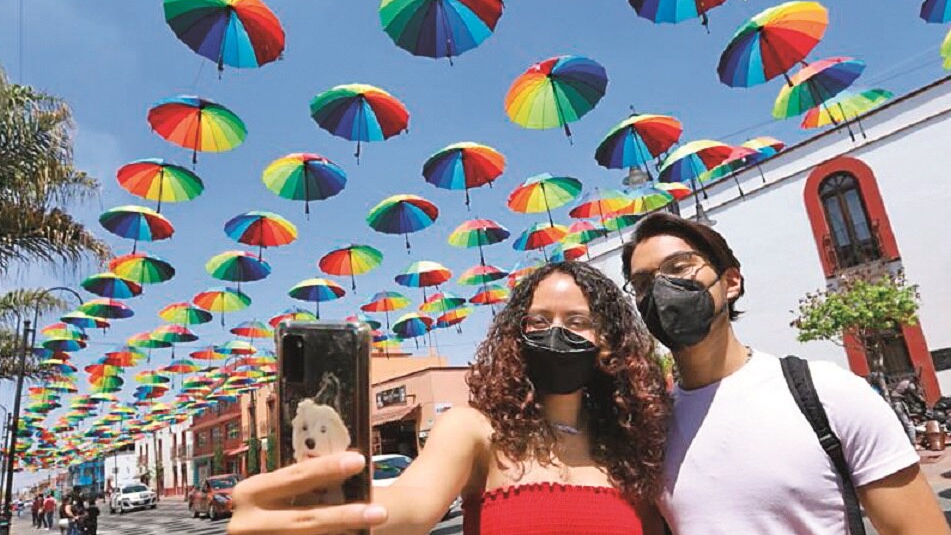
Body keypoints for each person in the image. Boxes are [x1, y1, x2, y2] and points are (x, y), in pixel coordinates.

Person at [228, 261, 671, 534]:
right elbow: (407, 507)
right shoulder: (476, 430)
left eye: (577, 322)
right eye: (538, 322)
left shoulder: (630, 448)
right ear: (516, 339)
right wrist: (324, 518)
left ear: (608, 343)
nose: (555, 334)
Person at [620, 212, 948, 534]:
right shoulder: (653, 429)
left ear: (731, 282)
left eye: (679, 267)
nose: (662, 289)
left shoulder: (828, 393)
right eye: (643, 283)